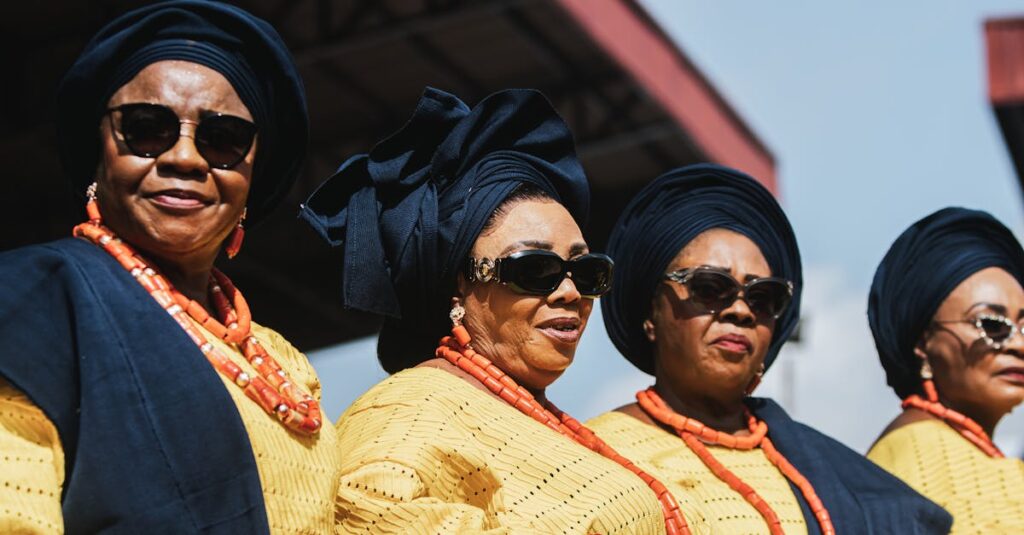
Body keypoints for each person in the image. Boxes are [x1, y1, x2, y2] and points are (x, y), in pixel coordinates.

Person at [0, 2, 340, 532]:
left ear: (252, 177)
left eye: (223, 139)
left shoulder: (284, 366)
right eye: (146, 128)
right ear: (98, 154)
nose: (185, 157)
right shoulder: (34, 306)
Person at [302, 87, 683, 534]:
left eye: (586, 271)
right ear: (458, 287)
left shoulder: (549, 423)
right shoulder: (407, 411)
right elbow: (366, 516)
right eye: (535, 269)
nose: (568, 292)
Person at [587, 164, 952, 534]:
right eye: (710, 287)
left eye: (764, 297)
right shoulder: (596, 453)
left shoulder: (815, 468)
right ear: (651, 312)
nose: (741, 311)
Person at [866, 207, 1024, 533]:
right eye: (992, 325)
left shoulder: (973, 457)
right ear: (923, 343)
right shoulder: (926, 461)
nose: (1018, 345)